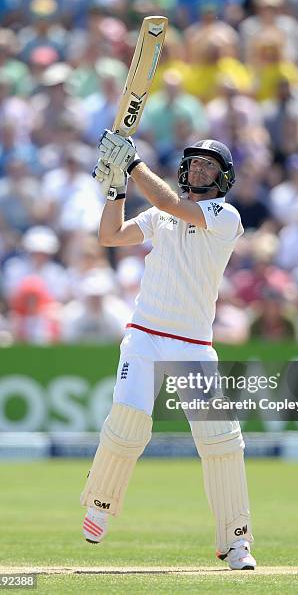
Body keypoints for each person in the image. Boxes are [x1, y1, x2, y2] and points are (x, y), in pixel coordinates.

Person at [81, 132, 256, 570]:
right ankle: (100, 503)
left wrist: (133, 164)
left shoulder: (225, 216)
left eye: (208, 166)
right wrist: (116, 187)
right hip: (145, 333)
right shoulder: (161, 218)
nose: (199, 169)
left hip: (194, 343)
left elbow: (176, 206)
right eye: (194, 162)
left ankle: (235, 542)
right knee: (129, 422)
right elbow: (110, 235)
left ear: (223, 177)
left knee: (221, 441)